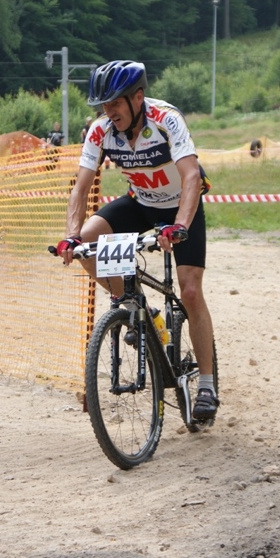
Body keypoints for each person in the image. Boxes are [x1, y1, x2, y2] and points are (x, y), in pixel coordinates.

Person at [56, 60, 219, 420]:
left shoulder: (166, 119)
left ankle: (207, 384)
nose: (108, 111)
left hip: (182, 205)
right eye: (104, 105)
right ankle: (135, 308)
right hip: (140, 203)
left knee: (191, 291)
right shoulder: (100, 131)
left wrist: (179, 225)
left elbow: (191, 176)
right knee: (87, 243)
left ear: (138, 97)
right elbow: (81, 187)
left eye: (115, 103)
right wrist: (70, 235)